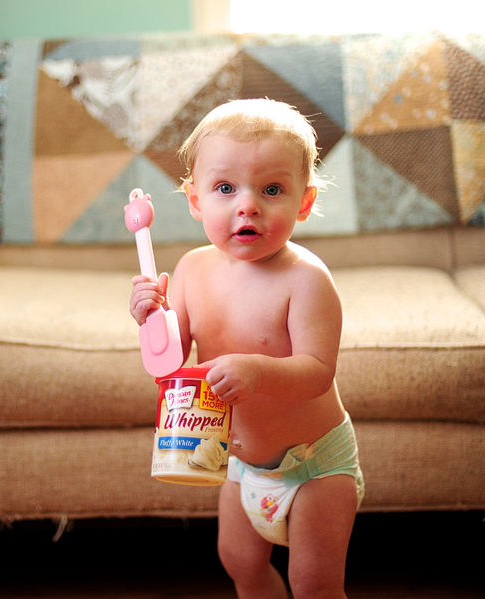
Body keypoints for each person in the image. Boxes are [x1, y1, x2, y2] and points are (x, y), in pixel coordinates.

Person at [129, 99, 364, 599]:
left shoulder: (306, 281)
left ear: (304, 201)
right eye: (225, 188)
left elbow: (318, 371)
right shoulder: (192, 271)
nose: (248, 205)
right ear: (195, 200)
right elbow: (171, 368)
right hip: (238, 463)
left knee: (314, 584)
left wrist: (257, 372)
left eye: (272, 189)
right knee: (238, 563)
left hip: (315, 465)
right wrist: (152, 319)